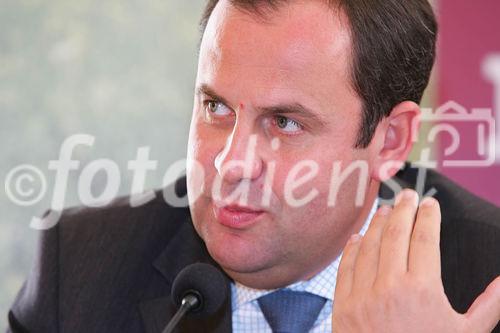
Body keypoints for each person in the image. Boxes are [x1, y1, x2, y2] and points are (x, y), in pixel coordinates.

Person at [8, 0, 500, 332]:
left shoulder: (486, 275)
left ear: (390, 141)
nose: (231, 164)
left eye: (284, 123)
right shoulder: (79, 271)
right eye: (216, 108)